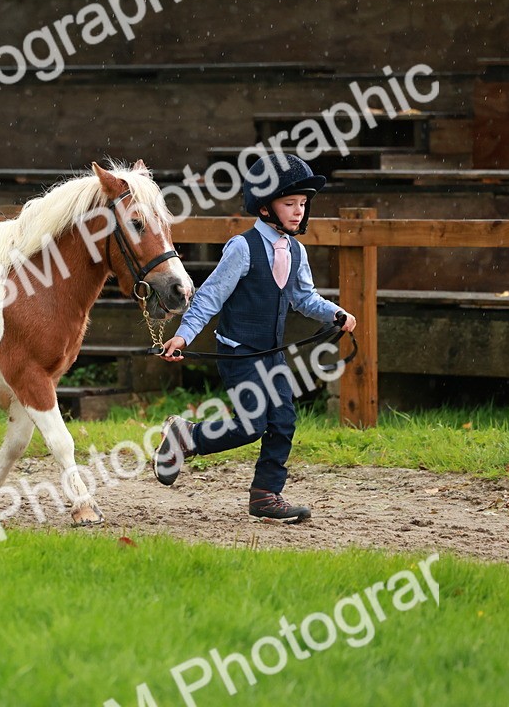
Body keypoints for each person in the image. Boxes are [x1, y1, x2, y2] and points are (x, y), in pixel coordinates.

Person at [152, 153, 356, 523]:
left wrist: (335, 314)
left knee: (282, 422)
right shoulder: (242, 248)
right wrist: (182, 337)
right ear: (264, 208)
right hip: (239, 352)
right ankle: (187, 438)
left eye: (302, 204)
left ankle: (265, 495)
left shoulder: (296, 250)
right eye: (289, 204)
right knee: (252, 423)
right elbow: (210, 296)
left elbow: (303, 298)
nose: (298, 212)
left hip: (270, 353)